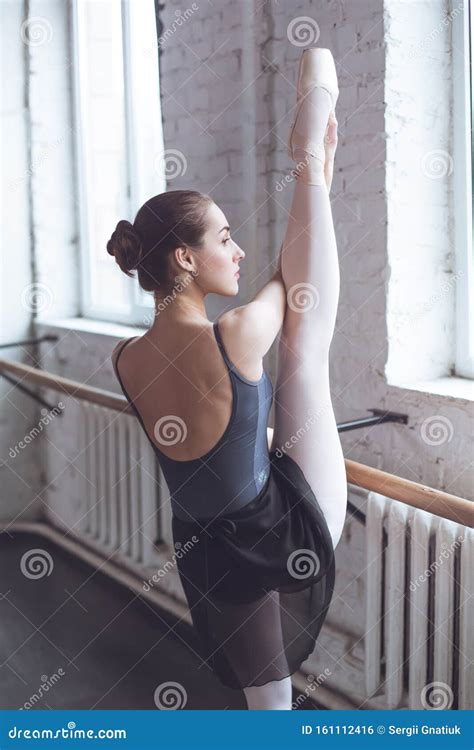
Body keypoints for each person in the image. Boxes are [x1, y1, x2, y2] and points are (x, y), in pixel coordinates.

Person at [108, 47, 347, 710]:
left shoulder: (125, 357)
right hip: (280, 526)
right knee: (306, 351)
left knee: (266, 706)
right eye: (224, 238)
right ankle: (310, 166)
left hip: (205, 550)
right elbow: (296, 287)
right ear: (185, 257)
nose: (237, 250)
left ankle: (310, 166)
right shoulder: (237, 334)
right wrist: (314, 177)